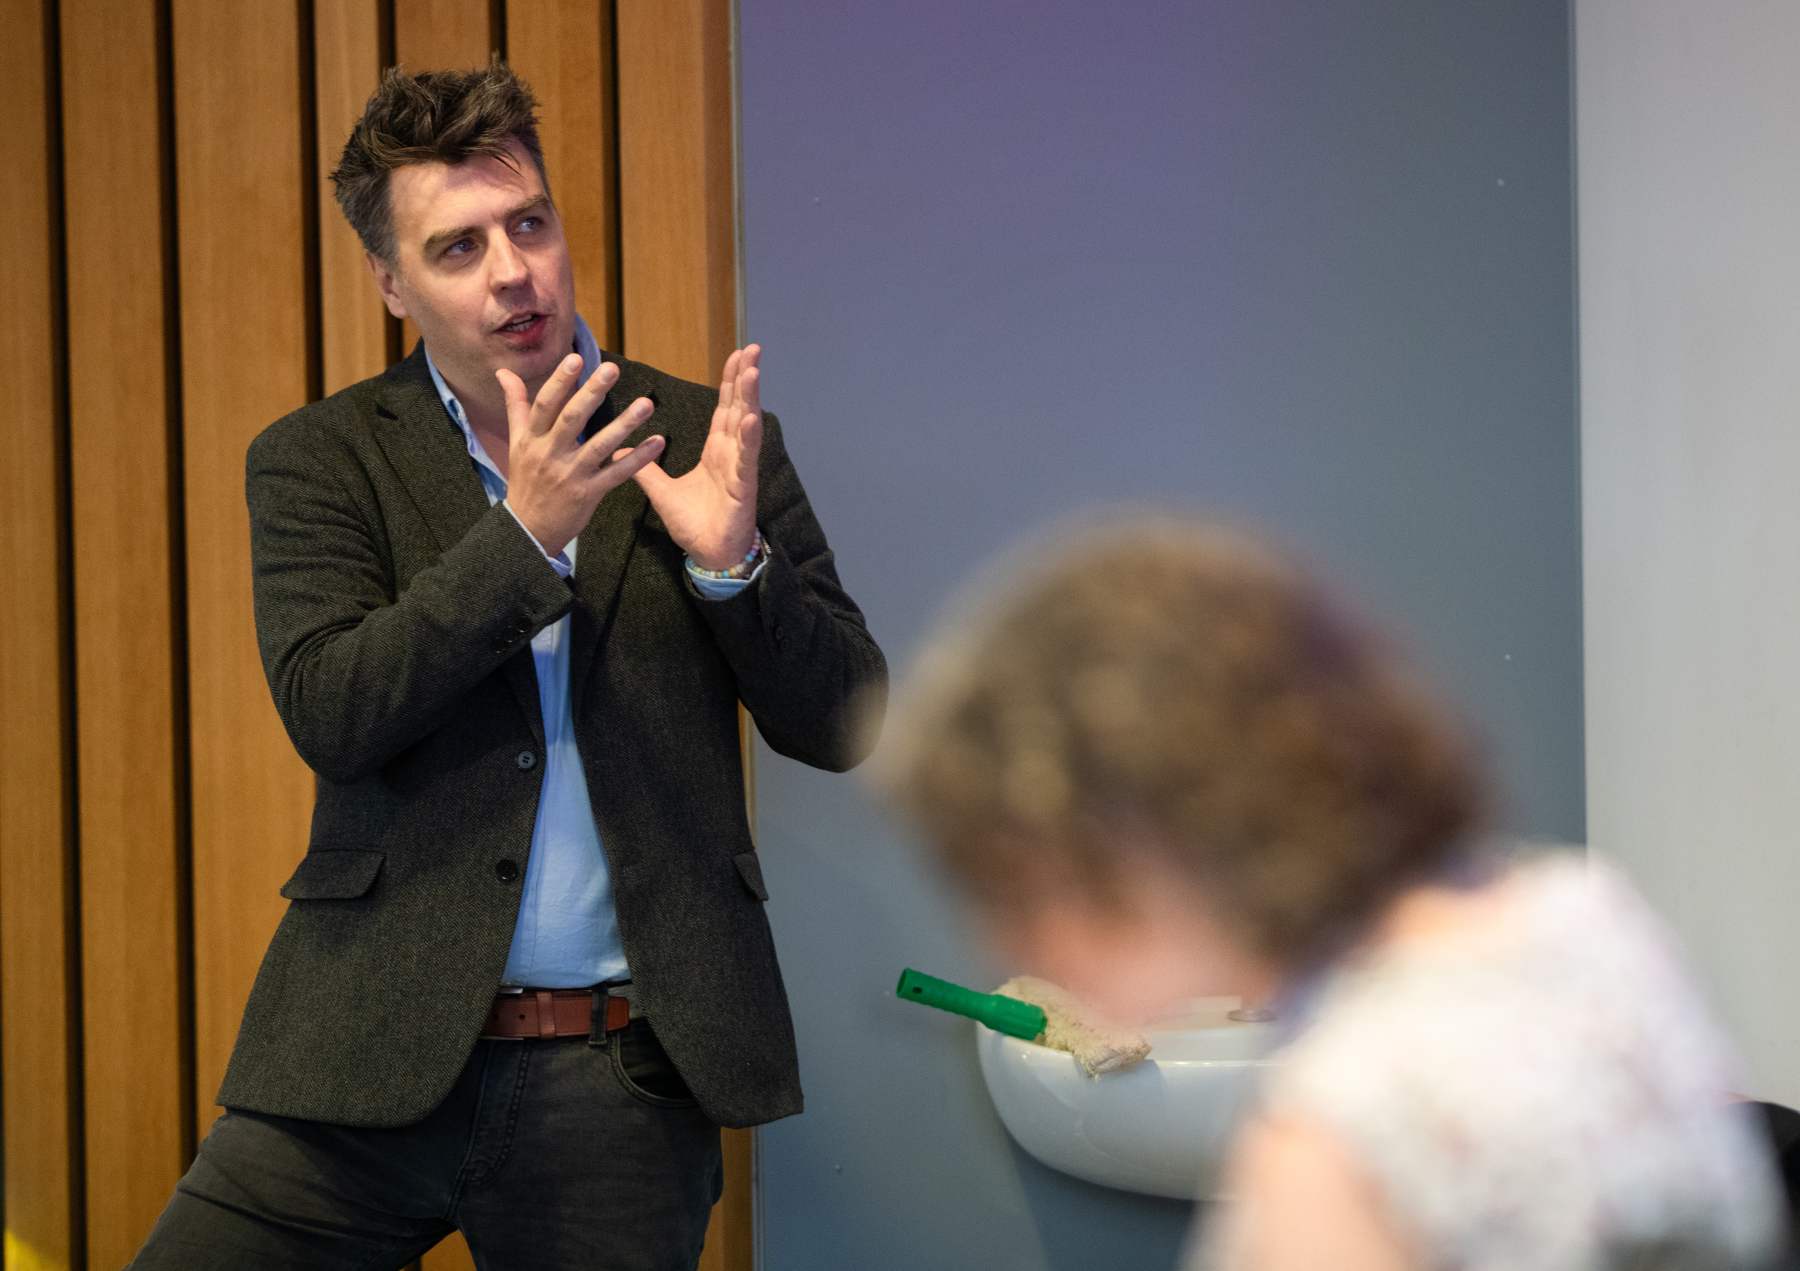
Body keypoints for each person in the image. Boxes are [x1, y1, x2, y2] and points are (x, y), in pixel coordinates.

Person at [129, 63, 885, 1270]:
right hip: (363, 1041)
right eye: (458, 246)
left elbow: (845, 721)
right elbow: (333, 708)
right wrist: (523, 538)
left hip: (620, 1071)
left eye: (529, 223)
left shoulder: (700, 437)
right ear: (392, 283)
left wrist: (735, 567)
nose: (511, 271)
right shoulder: (321, 458)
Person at [877, 516, 1785, 1271]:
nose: (1018, 952)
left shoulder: (1336, 1142)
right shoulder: (1583, 911)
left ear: (1155, 833)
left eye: (1024, 896)